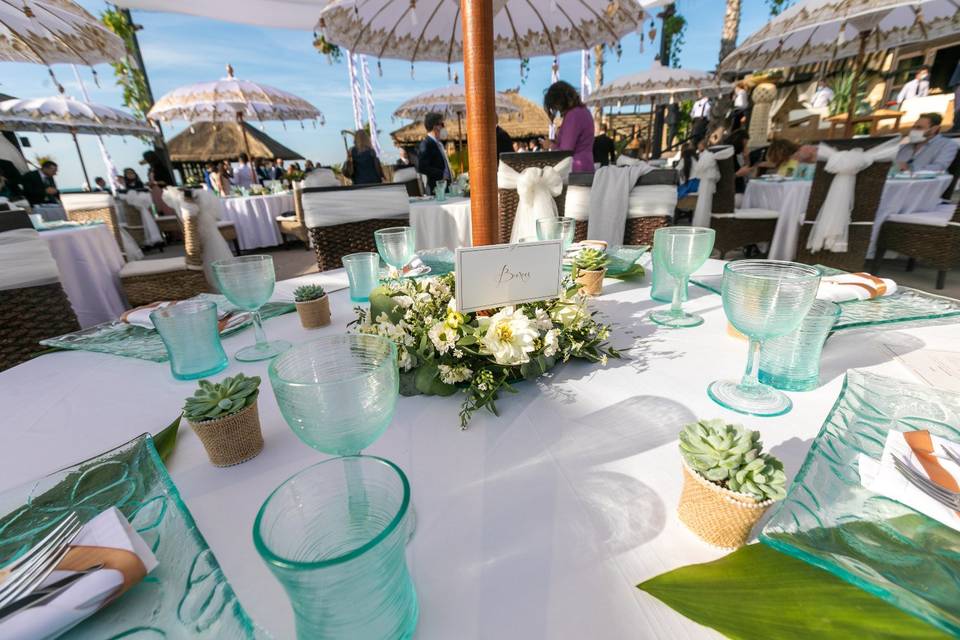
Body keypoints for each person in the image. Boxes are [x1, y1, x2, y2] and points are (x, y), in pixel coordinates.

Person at [541, 80, 595, 172]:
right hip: (587, 165)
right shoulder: (584, 111)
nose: (557, 109)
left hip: (575, 169)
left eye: (555, 105)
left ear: (560, 101)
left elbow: (565, 151)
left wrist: (550, 145)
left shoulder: (573, 115)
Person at [417, 112, 453, 194]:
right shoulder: (426, 144)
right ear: (435, 127)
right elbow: (422, 167)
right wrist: (442, 174)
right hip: (436, 189)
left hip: (446, 186)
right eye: (442, 124)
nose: (444, 127)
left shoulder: (439, 143)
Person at [723, 129, 752, 194]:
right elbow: (723, 180)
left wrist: (746, 157)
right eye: (744, 144)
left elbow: (746, 170)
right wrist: (737, 174)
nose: (745, 147)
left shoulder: (737, 154)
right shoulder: (727, 155)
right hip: (731, 192)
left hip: (739, 188)